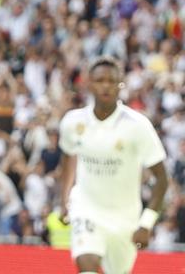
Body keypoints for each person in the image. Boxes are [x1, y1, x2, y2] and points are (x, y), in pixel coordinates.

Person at [57, 56, 169, 274]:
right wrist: (65, 200)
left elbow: (162, 179)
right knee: (86, 264)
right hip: (86, 209)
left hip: (124, 218)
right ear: (89, 83)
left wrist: (146, 223)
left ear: (121, 85)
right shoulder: (73, 122)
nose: (105, 86)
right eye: (100, 81)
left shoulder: (138, 126)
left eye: (111, 81)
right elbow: (68, 159)